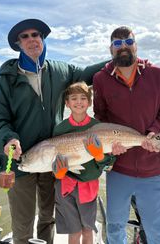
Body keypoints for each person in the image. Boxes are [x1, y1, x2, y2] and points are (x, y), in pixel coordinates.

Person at [0, 19, 108, 244]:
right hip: (22, 162)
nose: (32, 40)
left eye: (36, 34)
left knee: (48, 218)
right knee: (23, 222)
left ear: (43, 39)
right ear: (18, 44)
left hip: (54, 161)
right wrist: (8, 138)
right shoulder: (7, 81)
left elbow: (90, 73)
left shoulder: (61, 70)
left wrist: (121, 58)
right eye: (25, 37)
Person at [93, 26, 160, 244]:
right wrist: (110, 145)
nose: (124, 47)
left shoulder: (158, 74)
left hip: (154, 168)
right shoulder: (100, 80)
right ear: (110, 49)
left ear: (136, 45)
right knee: (114, 229)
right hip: (119, 169)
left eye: (128, 42)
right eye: (118, 43)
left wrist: (154, 133)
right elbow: (100, 117)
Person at [52, 81, 115, 244]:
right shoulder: (60, 129)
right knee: (73, 232)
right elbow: (53, 160)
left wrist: (100, 156)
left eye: (83, 98)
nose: (78, 102)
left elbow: (109, 163)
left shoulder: (98, 126)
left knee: (87, 230)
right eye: (73, 98)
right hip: (65, 187)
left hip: (88, 186)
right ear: (67, 103)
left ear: (89, 102)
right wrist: (58, 172)